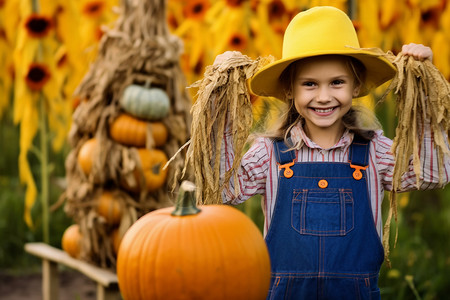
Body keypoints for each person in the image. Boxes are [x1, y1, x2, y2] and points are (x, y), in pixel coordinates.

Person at [212, 5, 450, 300]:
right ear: (290, 89)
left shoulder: (374, 151)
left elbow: (432, 174)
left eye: (337, 82)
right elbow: (224, 189)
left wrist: (424, 88)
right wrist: (218, 100)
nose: (324, 97)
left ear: (356, 85)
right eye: (309, 84)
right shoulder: (270, 154)